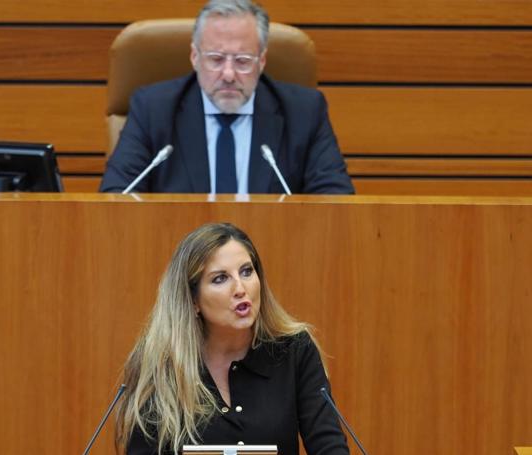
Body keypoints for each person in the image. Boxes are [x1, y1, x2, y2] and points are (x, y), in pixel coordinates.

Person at [115, 223, 350, 454]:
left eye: (247, 272)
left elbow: (328, 446)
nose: (240, 288)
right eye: (220, 278)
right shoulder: (160, 364)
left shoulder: (294, 350)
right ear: (193, 300)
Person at [100, 0, 354, 195]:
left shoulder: (304, 112)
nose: (229, 74)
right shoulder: (153, 109)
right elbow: (117, 195)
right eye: (216, 59)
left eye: (243, 61)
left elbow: (335, 201)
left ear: (262, 61)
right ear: (194, 57)